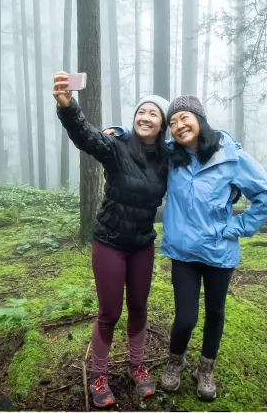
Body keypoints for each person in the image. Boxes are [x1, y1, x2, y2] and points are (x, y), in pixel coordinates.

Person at [104, 95, 267, 402]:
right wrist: (121, 131)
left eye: (184, 118)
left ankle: (206, 368)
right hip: (184, 252)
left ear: (199, 119)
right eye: (173, 122)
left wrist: (237, 228)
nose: (178, 125)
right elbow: (146, 138)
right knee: (186, 317)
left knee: (215, 312)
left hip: (219, 252)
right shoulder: (172, 155)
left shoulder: (231, 156)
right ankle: (175, 361)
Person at [53, 71, 170, 407]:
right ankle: (99, 374)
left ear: (162, 124)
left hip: (142, 245)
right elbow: (87, 136)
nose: (145, 117)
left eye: (153, 113)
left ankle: (137, 366)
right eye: (141, 112)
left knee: (138, 307)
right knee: (110, 312)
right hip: (109, 242)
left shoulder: (167, 159)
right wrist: (68, 107)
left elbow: (197, 149)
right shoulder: (117, 147)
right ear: (134, 119)